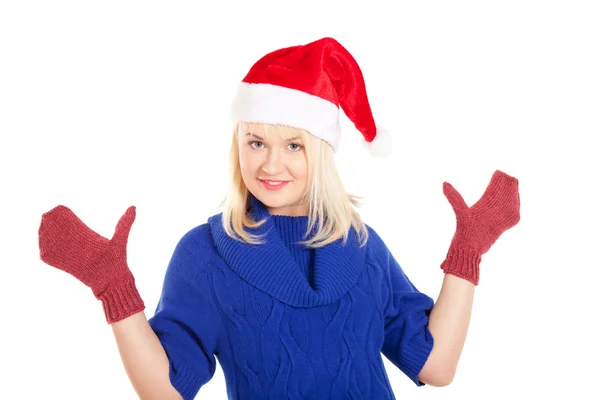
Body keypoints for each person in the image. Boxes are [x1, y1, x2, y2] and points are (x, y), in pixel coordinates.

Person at [38, 37, 521, 400]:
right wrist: (113, 286)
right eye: (256, 143)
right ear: (238, 146)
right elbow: (166, 390)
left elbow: (435, 366)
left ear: (321, 150)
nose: (271, 165)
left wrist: (467, 252)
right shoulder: (204, 252)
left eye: (294, 145)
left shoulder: (361, 245)